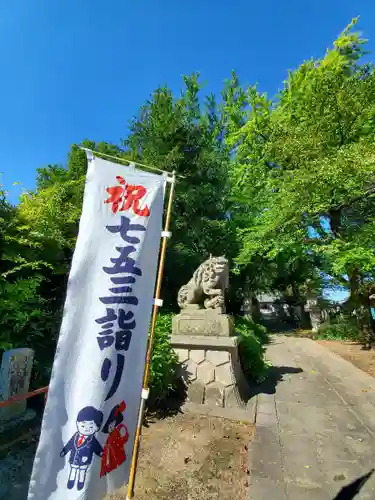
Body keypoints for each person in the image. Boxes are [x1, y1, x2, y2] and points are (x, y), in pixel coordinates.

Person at [60, 406, 104, 490]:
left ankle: (81, 482)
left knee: (82, 472)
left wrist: (100, 452)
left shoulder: (92, 439)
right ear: (77, 423)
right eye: (83, 425)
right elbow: (70, 444)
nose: (86, 429)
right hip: (74, 458)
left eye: (91, 427)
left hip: (85, 459)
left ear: (96, 428)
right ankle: (71, 480)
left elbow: (96, 446)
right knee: (73, 470)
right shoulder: (76, 436)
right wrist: (64, 451)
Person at [100, 401, 129, 477]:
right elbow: (107, 450)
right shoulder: (109, 438)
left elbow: (123, 440)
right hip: (113, 457)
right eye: (110, 426)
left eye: (113, 424)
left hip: (119, 455)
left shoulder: (118, 430)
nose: (112, 426)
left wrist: (125, 436)